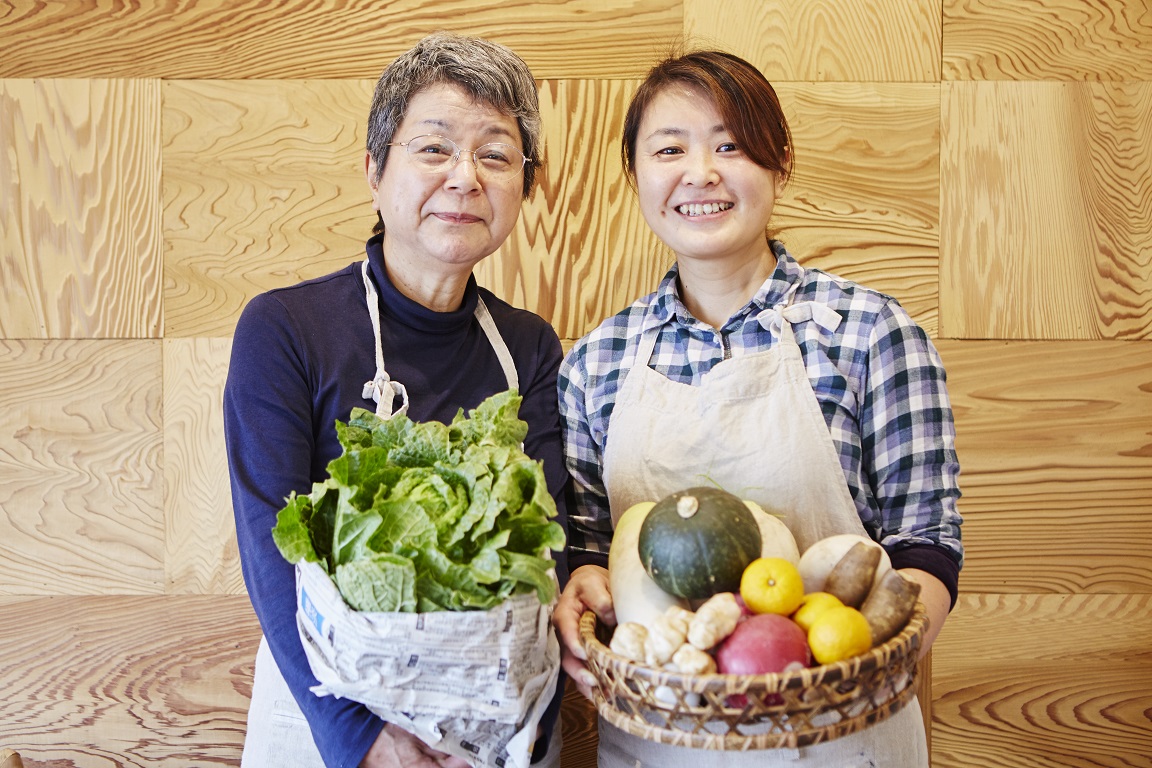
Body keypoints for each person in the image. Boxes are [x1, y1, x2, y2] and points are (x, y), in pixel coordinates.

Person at [553, 49, 963, 767]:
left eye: (731, 145)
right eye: (670, 149)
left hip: (844, 735)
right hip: (658, 742)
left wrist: (846, 677)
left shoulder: (870, 333)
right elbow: (591, 550)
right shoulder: (596, 362)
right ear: (637, 175)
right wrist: (579, 594)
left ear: (779, 163)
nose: (701, 173)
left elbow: (927, 543)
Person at [224, 32, 569, 768]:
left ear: (525, 187)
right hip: (325, 704)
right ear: (376, 171)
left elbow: (550, 554)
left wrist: (530, 726)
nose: (465, 178)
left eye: (496, 155)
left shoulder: (530, 347)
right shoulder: (285, 328)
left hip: (496, 714)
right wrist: (360, 739)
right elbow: (268, 546)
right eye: (435, 148)